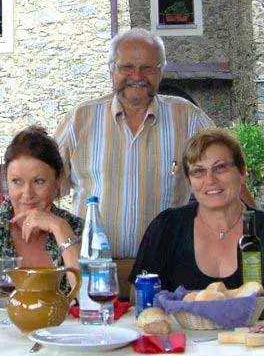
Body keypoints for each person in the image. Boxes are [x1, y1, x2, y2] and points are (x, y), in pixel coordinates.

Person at [55, 28, 226, 258]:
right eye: (127, 67)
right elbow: (46, 186)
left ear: (160, 72)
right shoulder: (80, 119)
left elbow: (227, 172)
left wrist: (257, 228)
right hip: (96, 273)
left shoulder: (188, 118)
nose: (137, 76)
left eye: (147, 68)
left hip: (166, 271)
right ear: (111, 70)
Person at [131, 128, 264, 301]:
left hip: (260, 329)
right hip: (180, 329)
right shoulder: (166, 228)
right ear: (190, 181)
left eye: (220, 168)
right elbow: (139, 299)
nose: (210, 180)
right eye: (198, 171)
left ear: (242, 172)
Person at [0, 126, 83, 301]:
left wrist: (60, 229)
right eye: (17, 182)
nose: (27, 194)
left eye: (39, 181)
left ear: (57, 182)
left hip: (63, 329)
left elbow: (87, 297)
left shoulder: (77, 230)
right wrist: (18, 305)